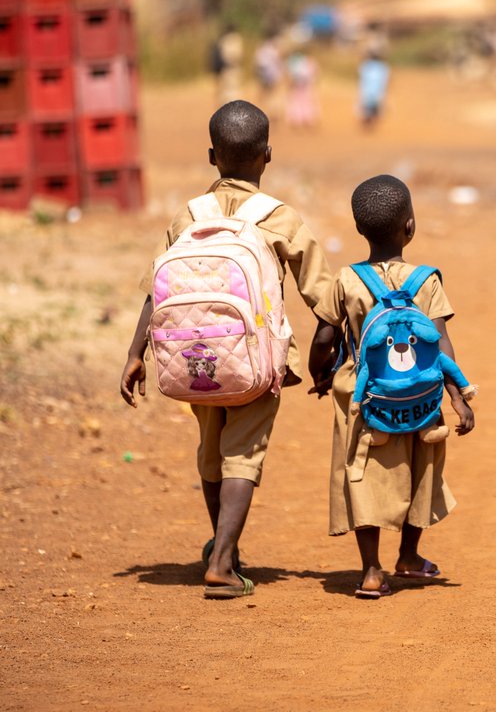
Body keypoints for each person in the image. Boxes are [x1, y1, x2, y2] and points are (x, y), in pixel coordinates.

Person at [120, 100, 332, 599]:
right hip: (254, 361)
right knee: (244, 454)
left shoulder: (188, 215)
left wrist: (136, 353)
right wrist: (328, 352)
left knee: (212, 452)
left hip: (191, 358)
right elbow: (322, 295)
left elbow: (159, 291)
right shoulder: (279, 218)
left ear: (212, 156)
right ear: (268, 155)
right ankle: (221, 562)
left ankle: (224, 548)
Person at [308, 175, 476, 599]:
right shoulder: (426, 280)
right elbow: (440, 342)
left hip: (363, 395)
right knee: (422, 468)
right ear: (411, 226)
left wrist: (320, 375)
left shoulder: (346, 280)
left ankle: (370, 570)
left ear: (359, 230)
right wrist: (458, 397)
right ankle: (410, 556)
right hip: (420, 395)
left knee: (361, 472)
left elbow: (324, 338)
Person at [285, 49, 319, 129]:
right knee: (304, 101)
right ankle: (301, 119)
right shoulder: (305, 62)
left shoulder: (297, 62)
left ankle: (300, 119)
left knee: (300, 101)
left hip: (301, 85)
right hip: (302, 85)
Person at [357, 49, 390, 131]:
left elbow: (361, 78)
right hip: (376, 91)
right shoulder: (382, 67)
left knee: (369, 108)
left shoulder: (366, 66)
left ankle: (369, 121)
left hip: (368, 90)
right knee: (373, 108)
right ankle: (370, 121)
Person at [212, 25, 245, 105]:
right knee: (233, 91)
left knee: (225, 91)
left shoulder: (223, 39)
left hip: (225, 69)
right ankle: (233, 108)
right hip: (233, 68)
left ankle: (225, 108)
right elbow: (238, 55)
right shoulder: (236, 39)